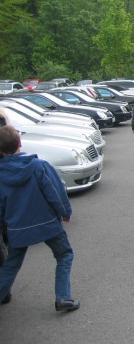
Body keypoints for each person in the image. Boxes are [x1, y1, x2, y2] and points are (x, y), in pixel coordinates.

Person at [0, 124, 79, 311]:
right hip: (47, 223)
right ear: (20, 143)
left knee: (12, 264)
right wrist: (65, 211)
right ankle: (63, 297)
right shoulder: (38, 166)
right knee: (64, 254)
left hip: (17, 227)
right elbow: (55, 191)